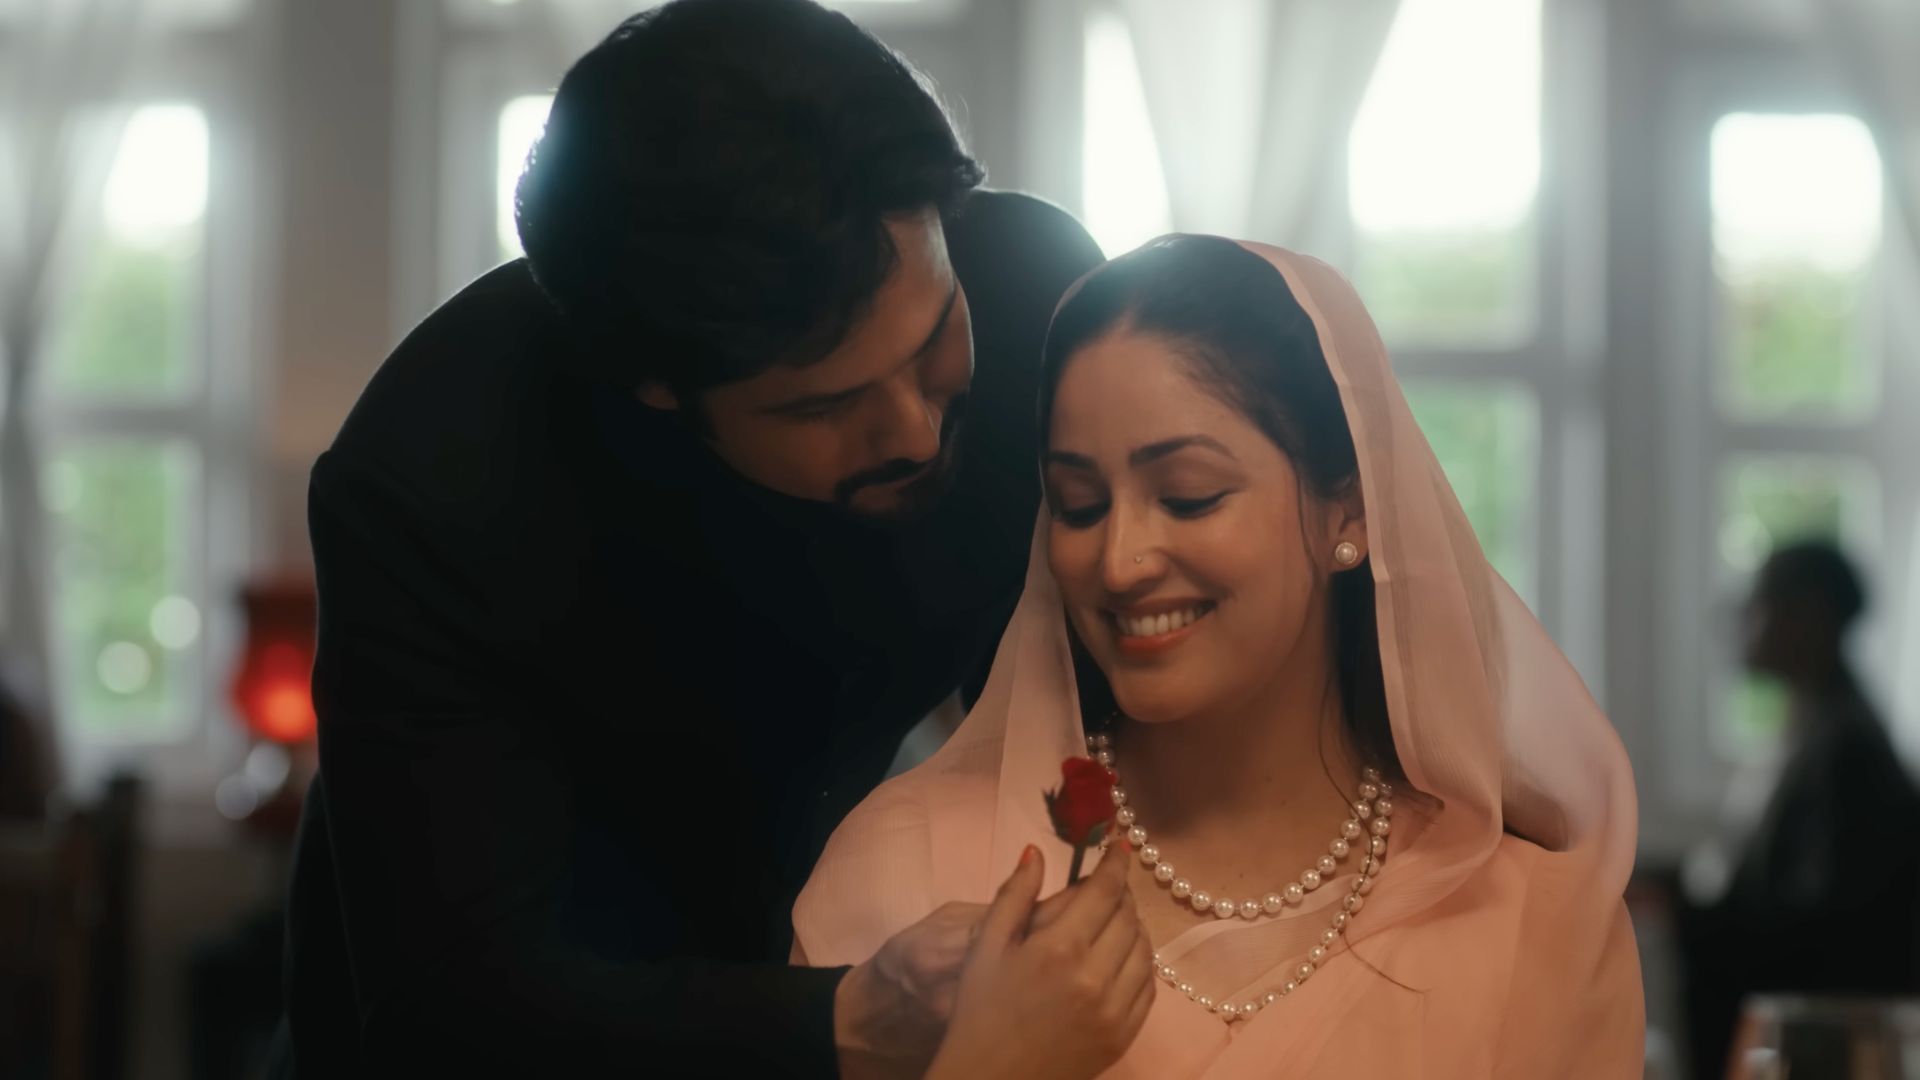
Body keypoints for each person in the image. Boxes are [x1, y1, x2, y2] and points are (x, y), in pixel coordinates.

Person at [273, 0, 1117, 1075]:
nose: (914, 430)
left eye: (934, 338)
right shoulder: (432, 482)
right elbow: (456, 1005)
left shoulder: (1040, 300)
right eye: (823, 406)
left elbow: (1101, 702)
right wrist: (847, 1022)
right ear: (658, 390)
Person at [796, 235, 1646, 1077]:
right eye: (1080, 505)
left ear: (1349, 511)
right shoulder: (911, 876)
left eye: (1188, 496)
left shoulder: (1531, 925)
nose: (1120, 561)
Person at [1678, 541, 1920, 1080]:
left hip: (1823, 1054)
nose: (1742, 621)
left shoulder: (1848, 752)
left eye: (1758, 603)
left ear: (1811, 615)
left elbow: (1824, 937)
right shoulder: (1813, 731)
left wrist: (1681, 912)